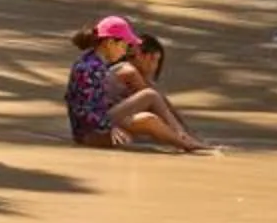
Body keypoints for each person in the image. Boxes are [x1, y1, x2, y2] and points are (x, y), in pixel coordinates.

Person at [65, 16, 207, 153]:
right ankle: (185, 140)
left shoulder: (94, 62)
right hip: (91, 133)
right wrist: (108, 127)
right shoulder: (91, 68)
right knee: (150, 96)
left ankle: (184, 140)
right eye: (124, 46)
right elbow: (85, 109)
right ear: (110, 43)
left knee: (148, 119)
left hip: (95, 127)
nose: (124, 52)